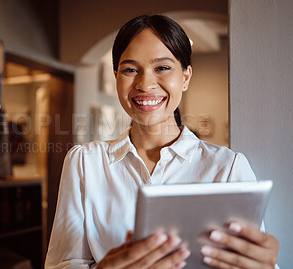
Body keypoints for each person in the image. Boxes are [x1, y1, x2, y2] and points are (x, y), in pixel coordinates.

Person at [45, 15, 279, 269]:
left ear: (186, 77)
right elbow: (62, 264)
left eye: (162, 68)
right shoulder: (84, 163)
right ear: (116, 77)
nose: (145, 84)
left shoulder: (227, 167)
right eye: (130, 69)